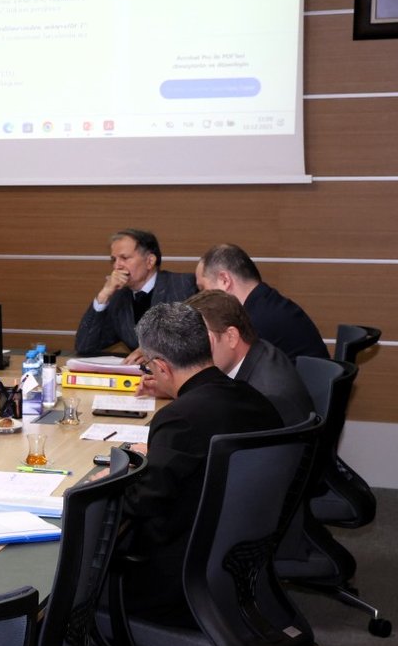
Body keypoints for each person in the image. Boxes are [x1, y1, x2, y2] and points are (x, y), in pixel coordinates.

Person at [112, 303, 282, 617]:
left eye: (148, 368)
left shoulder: (180, 419)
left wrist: (110, 481)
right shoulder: (254, 398)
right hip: (237, 564)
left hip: (177, 579)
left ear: (162, 367)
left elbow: (140, 502)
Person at [187, 290, 315, 425]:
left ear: (231, 337)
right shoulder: (258, 350)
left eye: (201, 339)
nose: (194, 350)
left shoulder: (265, 396)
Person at [74, 228, 197, 355]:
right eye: (114, 260)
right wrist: (103, 295)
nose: (117, 266)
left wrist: (151, 351)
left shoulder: (184, 285)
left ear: (150, 261)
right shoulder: (119, 298)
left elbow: (196, 339)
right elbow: (84, 346)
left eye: (124, 258)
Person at [195, 243, 325, 359]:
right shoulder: (266, 304)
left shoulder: (257, 321)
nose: (202, 298)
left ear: (225, 280)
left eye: (202, 289)